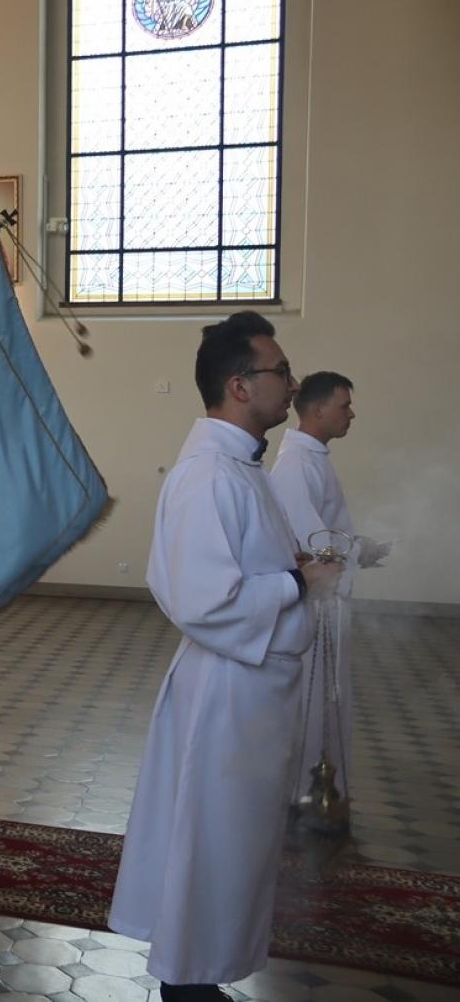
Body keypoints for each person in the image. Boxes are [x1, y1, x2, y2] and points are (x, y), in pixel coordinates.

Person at [109, 311, 341, 1002]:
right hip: (227, 693)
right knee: (211, 849)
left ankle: (198, 974)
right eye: (281, 371)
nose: (292, 383)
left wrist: (289, 564)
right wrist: (298, 581)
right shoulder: (208, 474)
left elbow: (240, 568)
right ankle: (186, 985)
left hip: (254, 687)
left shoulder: (241, 469)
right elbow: (200, 598)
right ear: (240, 385)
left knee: (231, 851)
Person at [270, 371, 384, 802]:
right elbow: (309, 542)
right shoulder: (297, 464)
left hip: (329, 598)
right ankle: (303, 790)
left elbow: (325, 534)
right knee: (313, 700)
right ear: (317, 410)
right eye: (344, 405)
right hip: (315, 600)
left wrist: (358, 547)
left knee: (327, 699)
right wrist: (356, 551)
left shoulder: (314, 456)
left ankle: (320, 783)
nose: (351, 413)